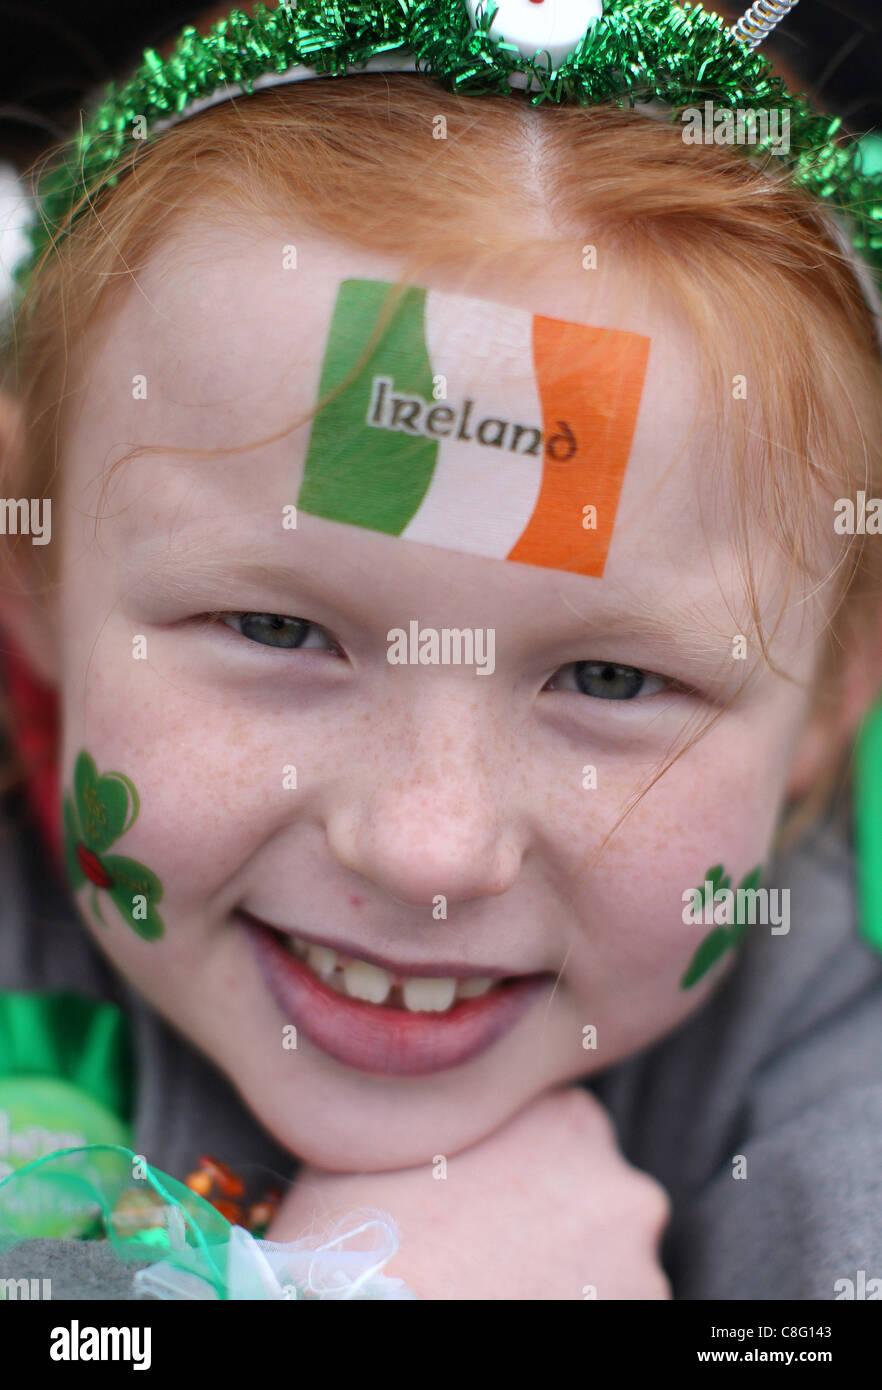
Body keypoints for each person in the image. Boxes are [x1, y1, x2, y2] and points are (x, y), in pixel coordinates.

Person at [0, 0, 881, 1300]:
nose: (426, 847)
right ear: (33, 568)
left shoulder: (833, 1039)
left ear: (835, 687)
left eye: (609, 677)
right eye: (278, 628)